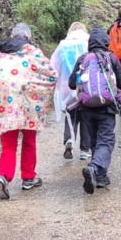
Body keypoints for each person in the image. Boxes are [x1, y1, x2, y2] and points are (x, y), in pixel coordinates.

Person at [0, 23, 58, 198]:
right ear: (28, 37)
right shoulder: (33, 52)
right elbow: (52, 74)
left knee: (8, 145)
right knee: (29, 142)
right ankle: (28, 177)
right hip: (29, 105)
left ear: (12, 36)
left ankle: (3, 176)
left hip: (4, 104)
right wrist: (38, 90)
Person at [70, 26, 121, 194]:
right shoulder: (112, 58)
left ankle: (101, 177)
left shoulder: (83, 59)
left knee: (95, 141)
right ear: (106, 42)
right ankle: (94, 167)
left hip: (86, 108)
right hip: (107, 108)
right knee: (106, 141)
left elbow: (71, 83)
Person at [49, 22, 91, 160]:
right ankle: (85, 149)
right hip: (84, 85)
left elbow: (53, 67)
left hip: (67, 85)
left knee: (70, 113)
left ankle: (69, 140)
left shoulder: (63, 45)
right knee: (85, 116)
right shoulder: (88, 42)